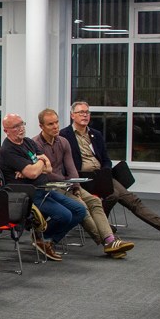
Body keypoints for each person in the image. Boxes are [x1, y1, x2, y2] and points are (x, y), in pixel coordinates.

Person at [32, 109, 133, 258]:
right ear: (41, 126)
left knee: (94, 201)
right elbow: (45, 173)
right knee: (81, 206)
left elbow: (71, 168)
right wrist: (66, 182)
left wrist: (76, 188)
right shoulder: (35, 144)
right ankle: (108, 242)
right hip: (50, 187)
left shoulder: (63, 141)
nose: (55, 126)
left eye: (57, 122)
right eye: (50, 124)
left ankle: (110, 241)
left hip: (66, 184)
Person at [59, 102, 160, 235]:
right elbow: (64, 163)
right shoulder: (64, 135)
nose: (85, 115)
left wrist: (106, 171)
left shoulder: (95, 134)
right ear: (72, 115)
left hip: (101, 175)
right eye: (81, 112)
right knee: (113, 195)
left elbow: (106, 159)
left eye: (87, 112)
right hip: (83, 177)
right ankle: (101, 224)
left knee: (132, 199)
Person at [0, 113, 86, 262]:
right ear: (6, 130)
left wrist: (35, 166)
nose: (21, 128)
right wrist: (40, 163)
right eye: (16, 126)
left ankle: (46, 239)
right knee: (65, 215)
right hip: (27, 195)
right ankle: (43, 240)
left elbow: (49, 168)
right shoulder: (8, 150)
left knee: (80, 210)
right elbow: (33, 173)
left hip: (44, 189)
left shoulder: (28, 142)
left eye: (22, 124)